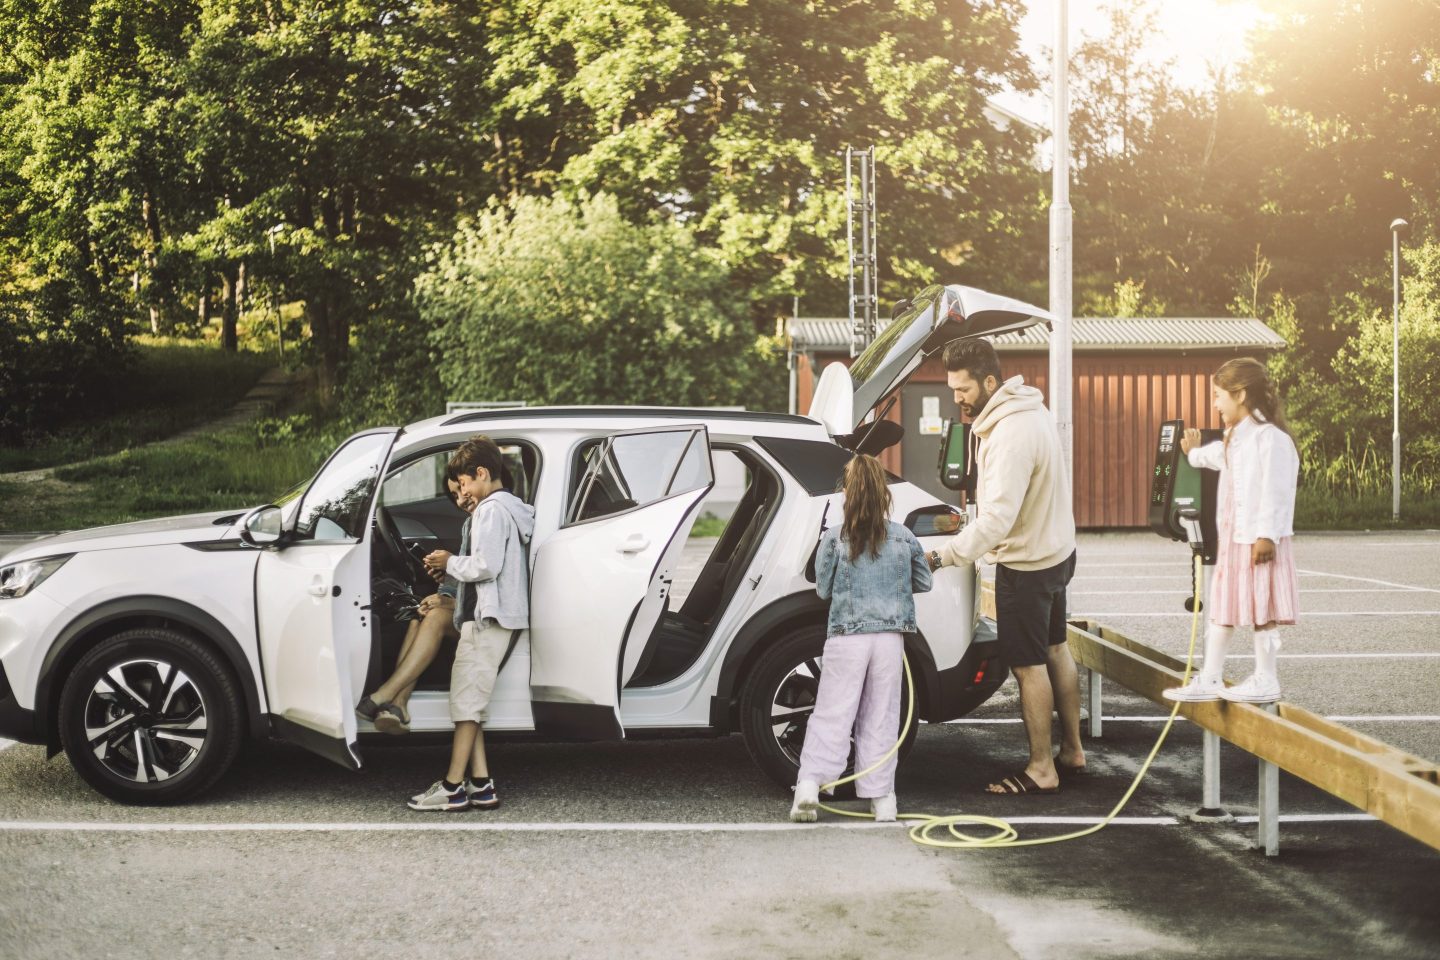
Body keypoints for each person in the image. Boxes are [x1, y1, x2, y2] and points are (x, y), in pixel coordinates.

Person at [928, 338, 1081, 796]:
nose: (957, 399)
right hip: (1056, 552)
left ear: (990, 381)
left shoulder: (1011, 435)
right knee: (1056, 649)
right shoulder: (1031, 411)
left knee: (1028, 666)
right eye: (953, 389)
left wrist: (944, 554)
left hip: (1027, 566)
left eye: (963, 389)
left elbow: (997, 519)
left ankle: (1041, 769)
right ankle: (1072, 750)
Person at [790, 454, 933, 823]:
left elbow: (823, 590)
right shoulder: (903, 536)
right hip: (888, 639)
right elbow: (924, 582)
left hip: (847, 637)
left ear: (848, 493)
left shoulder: (836, 536)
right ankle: (882, 798)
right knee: (881, 716)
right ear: (883, 492)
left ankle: (809, 786)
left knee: (833, 711)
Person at [407, 436, 536, 812]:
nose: (461, 493)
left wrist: (448, 562)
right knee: (472, 702)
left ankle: (451, 787)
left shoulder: (490, 511)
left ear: (480, 473)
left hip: (488, 616)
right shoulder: (512, 507)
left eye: (462, 484)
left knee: (465, 706)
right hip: (501, 616)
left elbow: (485, 565)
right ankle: (480, 784)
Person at [1164, 357, 1300, 704]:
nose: (1215, 404)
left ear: (1240, 395)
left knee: (1262, 610)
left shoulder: (1271, 439)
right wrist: (1193, 454)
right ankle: (1210, 675)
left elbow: (1277, 488)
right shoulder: (1235, 439)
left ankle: (1266, 676)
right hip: (1234, 540)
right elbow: (1215, 458)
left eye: (1218, 395)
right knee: (1222, 607)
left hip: (1257, 541)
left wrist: (1266, 534)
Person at [355, 476, 473, 734]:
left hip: (479, 618)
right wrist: (446, 583)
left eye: (463, 489)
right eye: (454, 495)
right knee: (416, 617)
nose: (461, 499)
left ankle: (382, 695)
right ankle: (398, 705)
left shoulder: (492, 522)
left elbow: (488, 582)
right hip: (462, 606)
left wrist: (448, 600)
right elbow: (467, 576)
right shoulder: (473, 524)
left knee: (435, 617)